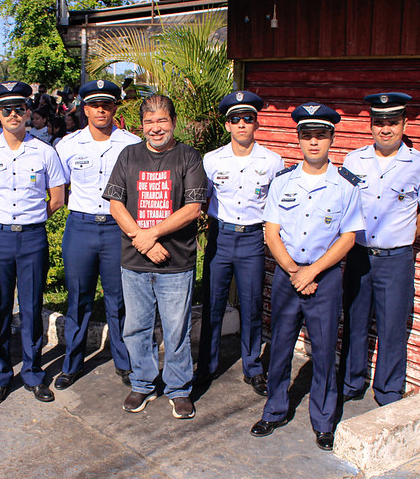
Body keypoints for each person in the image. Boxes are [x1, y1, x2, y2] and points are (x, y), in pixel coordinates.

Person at [250, 103, 364, 451]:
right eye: (307, 135)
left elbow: (349, 237)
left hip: (324, 278)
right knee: (281, 345)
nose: (313, 142)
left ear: (332, 138)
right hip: (288, 275)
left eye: (321, 135)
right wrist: (293, 271)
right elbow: (271, 231)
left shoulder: (346, 185)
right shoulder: (283, 181)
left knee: (325, 350)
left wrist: (312, 272)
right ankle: (275, 409)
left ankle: (324, 420)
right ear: (298, 139)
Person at [103, 94, 208, 419]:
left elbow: (192, 209)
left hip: (176, 263)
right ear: (142, 126)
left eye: (162, 121)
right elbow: (116, 204)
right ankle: (143, 384)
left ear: (173, 122)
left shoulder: (188, 157)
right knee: (136, 327)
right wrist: (144, 240)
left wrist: (153, 234)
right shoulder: (129, 155)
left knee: (176, 329)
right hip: (135, 262)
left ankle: (178, 389)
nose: (156, 128)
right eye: (149, 122)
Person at [0, 81, 66, 405]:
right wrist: (1, 223)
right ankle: (0, 376)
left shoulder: (44, 151)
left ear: (28, 112)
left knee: (31, 308)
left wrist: (31, 219)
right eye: (6, 109)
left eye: (19, 109)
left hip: (32, 237)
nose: (13, 114)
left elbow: (58, 197)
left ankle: (34, 374)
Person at [341, 93, 420, 406]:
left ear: (404, 124)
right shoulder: (354, 161)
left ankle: (388, 390)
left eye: (392, 122)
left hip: (396, 260)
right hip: (359, 256)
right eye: (379, 122)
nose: (386, 129)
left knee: (392, 326)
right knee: (355, 321)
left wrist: (404, 236)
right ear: (370, 126)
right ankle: (351, 382)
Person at [54, 80, 142, 390]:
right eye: (94, 104)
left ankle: (124, 362)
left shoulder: (132, 144)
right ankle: (72, 365)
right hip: (81, 226)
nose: (100, 109)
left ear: (116, 106)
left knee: (119, 299)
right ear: (84, 108)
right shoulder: (67, 145)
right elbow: (58, 186)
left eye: (107, 104)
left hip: (118, 229)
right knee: (78, 299)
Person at [198, 91, 285, 395]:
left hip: (251, 239)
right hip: (220, 237)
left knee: (251, 305)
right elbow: (204, 197)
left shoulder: (273, 162)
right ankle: (206, 366)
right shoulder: (212, 160)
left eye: (248, 118)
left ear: (256, 124)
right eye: (236, 119)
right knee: (213, 303)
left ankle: (253, 367)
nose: (242, 125)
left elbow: (278, 205)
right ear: (227, 125)